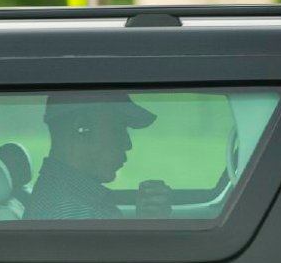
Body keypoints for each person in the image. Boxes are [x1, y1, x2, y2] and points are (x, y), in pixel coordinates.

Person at [23, 91, 172, 220]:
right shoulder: (75, 214)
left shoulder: (73, 202)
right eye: (117, 130)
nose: (128, 144)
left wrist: (148, 223)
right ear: (82, 127)